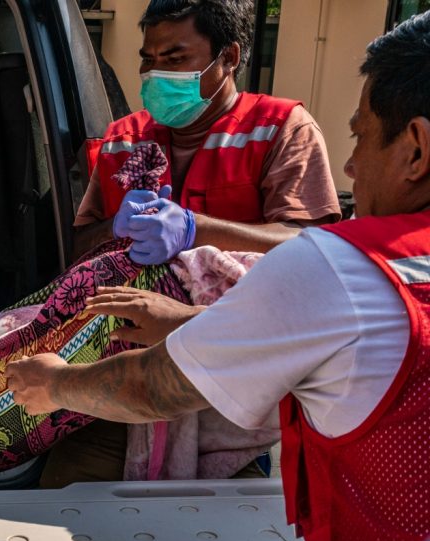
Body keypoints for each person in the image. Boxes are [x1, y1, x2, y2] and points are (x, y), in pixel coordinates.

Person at [6, 11, 430, 541]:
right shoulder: (122, 140)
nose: (351, 163)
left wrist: (50, 383)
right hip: (127, 394)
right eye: (146, 59)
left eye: (362, 139)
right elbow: (310, 337)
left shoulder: (306, 189)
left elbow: (166, 378)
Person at [42, 0, 341, 487]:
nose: (155, 72)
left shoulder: (281, 130)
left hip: (224, 395)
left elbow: (311, 246)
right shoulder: (122, 140)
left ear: (229, 57)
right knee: (62, 509)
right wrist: (115, 226)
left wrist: (195, 229)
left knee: (208, 536)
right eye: (148, 59)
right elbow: (75, 248)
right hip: (112, 387)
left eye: (175, 59)